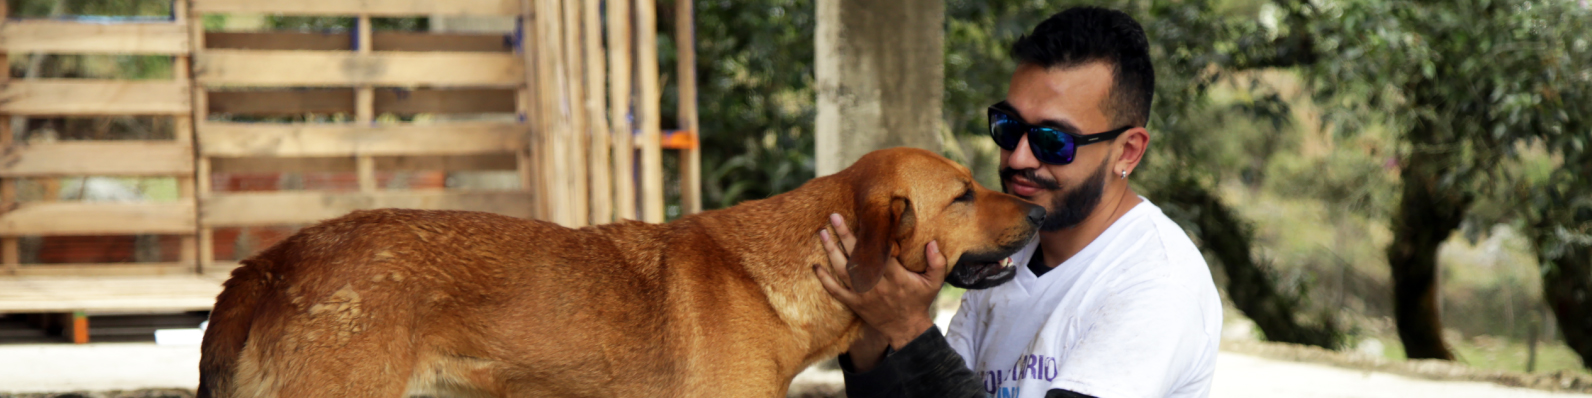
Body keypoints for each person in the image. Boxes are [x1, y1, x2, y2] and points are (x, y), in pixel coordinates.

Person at [810, 7, 1223, 398]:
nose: (1019, 158)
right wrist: (874, 331)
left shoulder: (1158, 283)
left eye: (1053, 140)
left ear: (1127, 152)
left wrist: (909, 329)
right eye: (1008, 127)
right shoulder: (1008, 252)